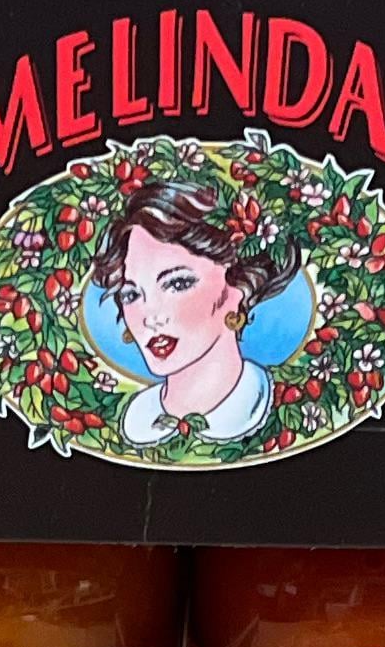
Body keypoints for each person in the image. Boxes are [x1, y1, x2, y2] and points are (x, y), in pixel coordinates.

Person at [96, 159, 302, 452]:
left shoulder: (289, 404)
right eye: (131, 295)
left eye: (177, 283)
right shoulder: (129, 421)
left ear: (239, 286)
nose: (150, 317)